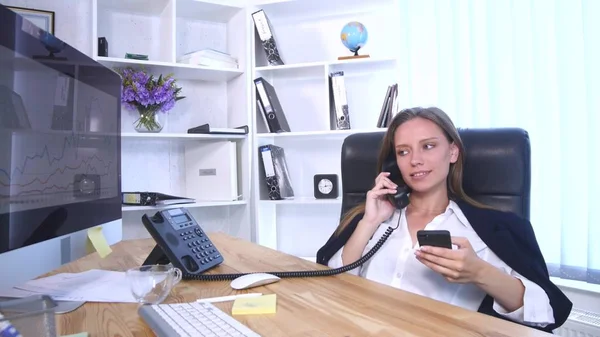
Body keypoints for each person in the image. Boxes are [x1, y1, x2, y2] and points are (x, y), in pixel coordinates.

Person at [315, 107, 572, 333]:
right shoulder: (372, 217)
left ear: (452, 152)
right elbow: (332, 284)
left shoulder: (497, 227)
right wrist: (369, 223)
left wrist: (479, 272)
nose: (415, 160)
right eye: (403, 152)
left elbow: (547, 313)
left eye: (428, 146)